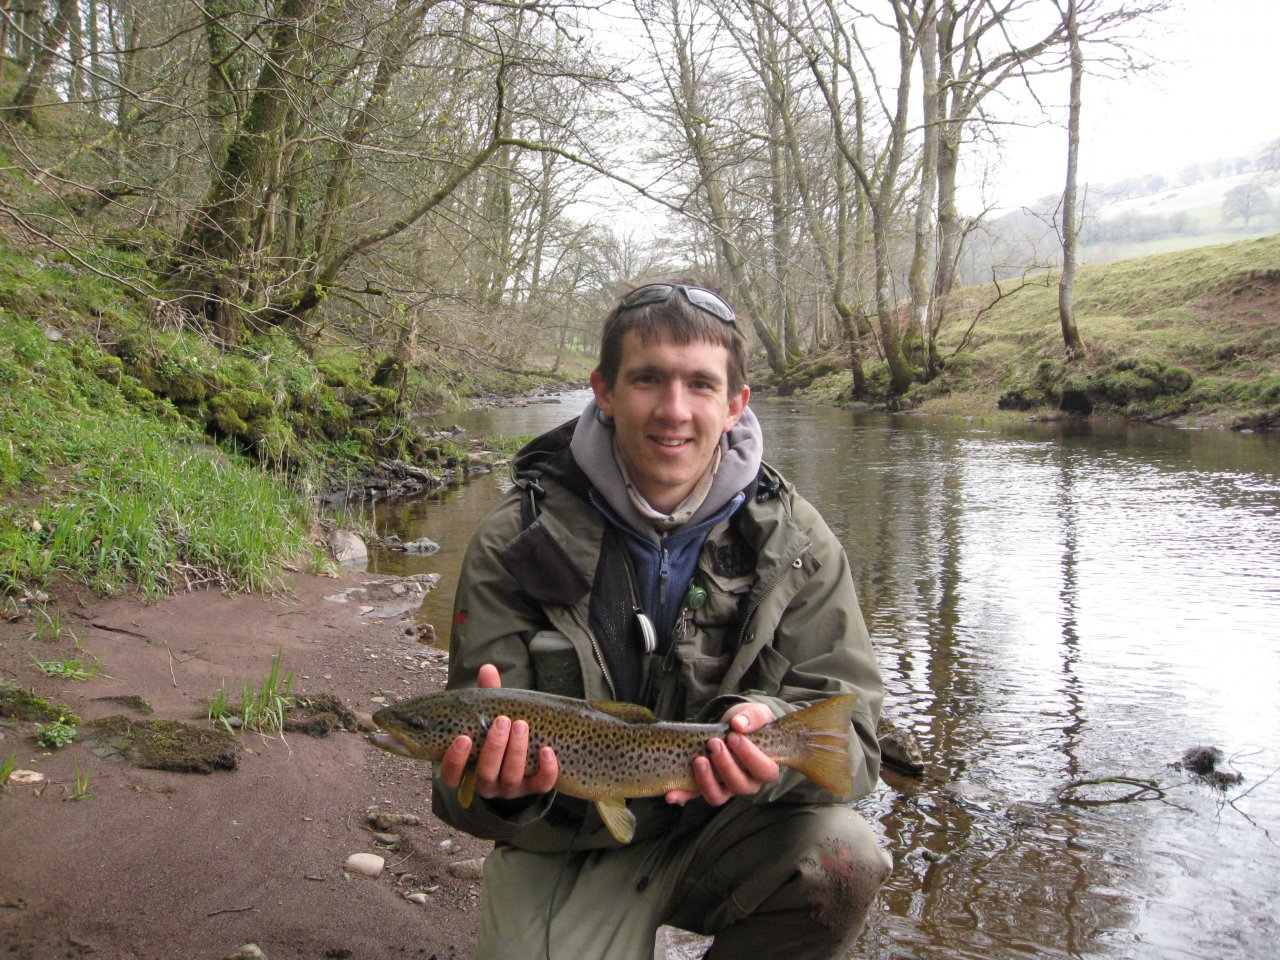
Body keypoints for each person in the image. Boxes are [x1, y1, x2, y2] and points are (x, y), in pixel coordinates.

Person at [431, 281, 891, 960]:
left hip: (726, 827)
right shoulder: (518, 539)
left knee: (845, 857)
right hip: (568, 839)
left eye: (700, 385)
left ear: (735, 404)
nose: (674, 411)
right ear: (605, 393)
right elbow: (462, 795)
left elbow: (851, 743)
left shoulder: (798, 544)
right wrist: (501, 796)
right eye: (648, 379)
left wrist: (770, 744)